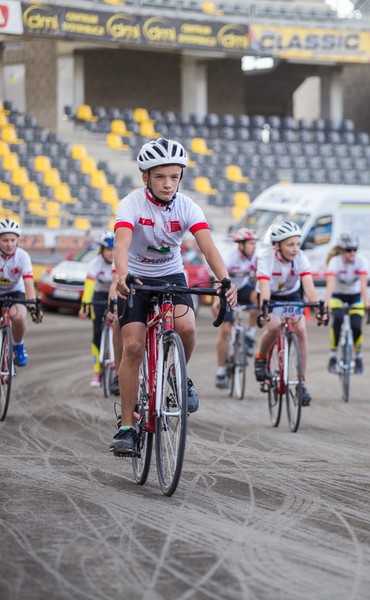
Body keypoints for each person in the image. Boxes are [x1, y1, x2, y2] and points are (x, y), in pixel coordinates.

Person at [110, 138, 237, 456]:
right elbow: (121, 245)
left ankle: (175, 373)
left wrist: (223, 279)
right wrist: (120, 274)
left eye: (174, 177)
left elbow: (208, 247)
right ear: (146, 178)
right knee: (134, 346)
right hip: (135, 275)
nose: (168, 184)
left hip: (170, 275)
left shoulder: (188, 206)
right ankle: (127, 426)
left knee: (189, 329)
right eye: (160, 177)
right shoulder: (131, 204)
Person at [254, 221, 327, 403]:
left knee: (301, 330)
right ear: (277, 246)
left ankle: (301, 382)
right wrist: (265, 310)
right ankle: (261, 357)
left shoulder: (301, 257)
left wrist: (317, 306)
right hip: (269, 294)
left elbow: (308, 285)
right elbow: (264, 287)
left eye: (297, 244)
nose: (295, 249)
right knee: (275, 326)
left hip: (291, 294)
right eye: (290, 244)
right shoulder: (266, 257)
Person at [212, 228, 259, 389]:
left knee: (258, 298)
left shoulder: (255, 258)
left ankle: (250, 336)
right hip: (226, 291)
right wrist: (215, 301)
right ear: (241, 245)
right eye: (251, 243)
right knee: (226, 330)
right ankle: (220, 370)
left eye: (254, 243)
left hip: (243, 289)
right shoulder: (229, 258)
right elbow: (218, 280)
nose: (254, 247)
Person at [324, 232, 370, 375]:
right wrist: (326, 302)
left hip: (355, 297)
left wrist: (367, 301)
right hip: (337, 296)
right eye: (349, 250)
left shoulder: (361, 261)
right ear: (341, 250)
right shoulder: (334, 262)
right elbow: (330, 286)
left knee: (356, 326)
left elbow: (363, 286)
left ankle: (359, 358)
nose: (352, 253)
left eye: (355, 249)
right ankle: (333, 355)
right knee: (337, 321)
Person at [0, 218, 42, 367]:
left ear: (18, 239)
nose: (9, 244)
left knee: (18, 316)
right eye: (5, 240)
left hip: (15, 291)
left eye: (12, 240)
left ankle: (18, 345)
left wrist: (32, 307)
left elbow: (29, 283)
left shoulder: (23, 256)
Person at [79, 232, 116, 387]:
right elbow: (89, 287)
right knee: (97, 333)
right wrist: (85, 306)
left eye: (114, 249)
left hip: (114, 294)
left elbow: (116, 284)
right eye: (108, 249)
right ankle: (97, 371)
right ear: (101, 250)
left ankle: (115, 362)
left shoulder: (117, 262)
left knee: (117, 327)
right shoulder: (95, 263)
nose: (111, 253)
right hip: (99, 295)